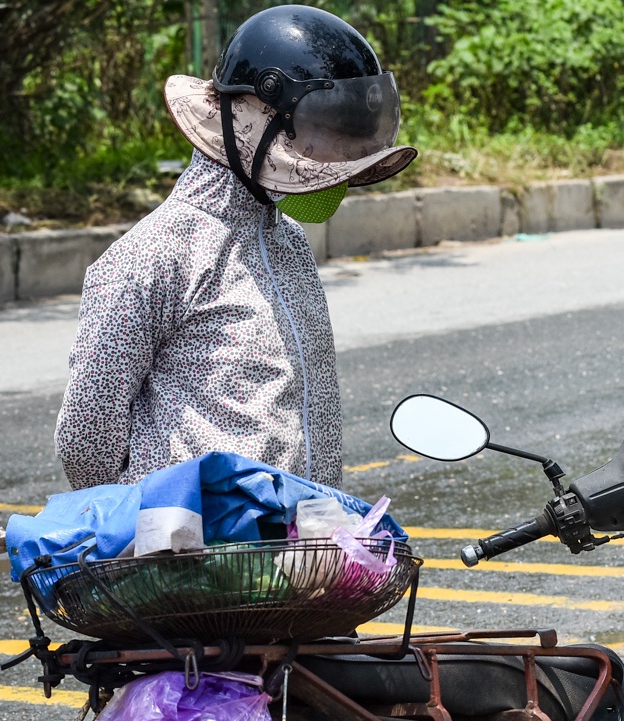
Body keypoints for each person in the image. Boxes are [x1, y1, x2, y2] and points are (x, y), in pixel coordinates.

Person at [54, 4, 414, 492]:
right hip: (198, 540)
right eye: (324, 130)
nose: (336, 154)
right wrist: (167, 523)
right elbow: (85, 442)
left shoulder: (288, 241)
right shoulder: (153, 256)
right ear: (254, 114)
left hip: (297, 535)